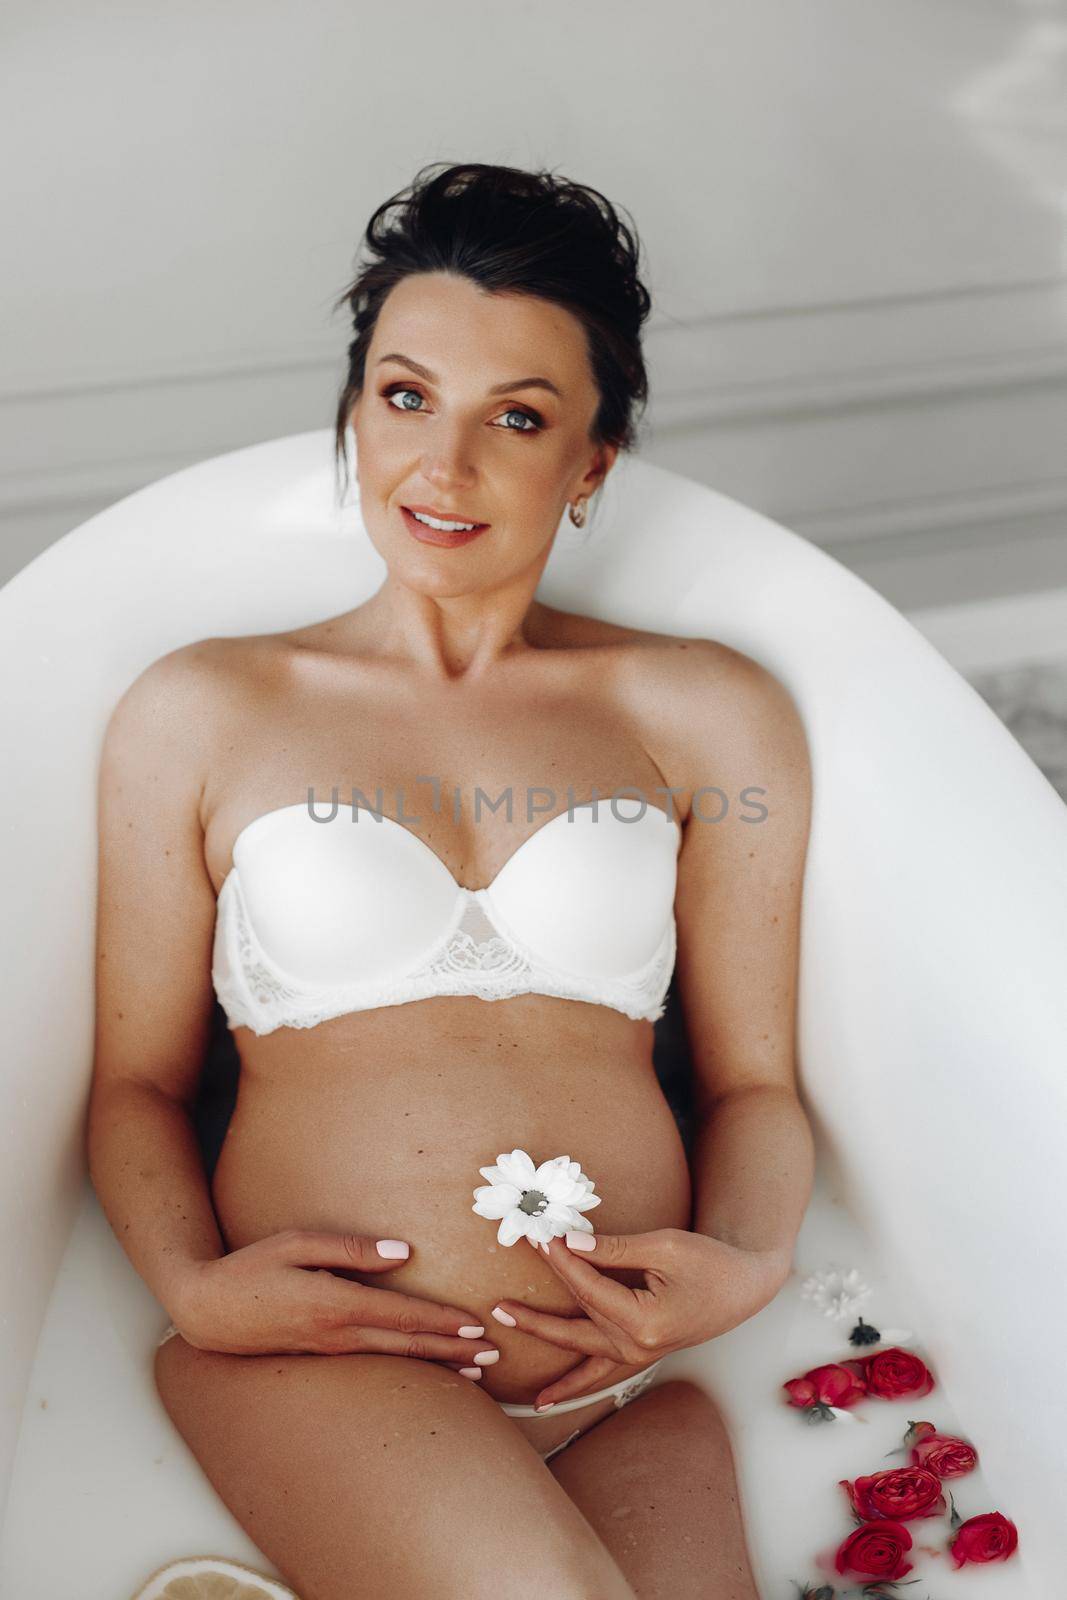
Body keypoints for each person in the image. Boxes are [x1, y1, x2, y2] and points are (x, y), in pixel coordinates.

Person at [87, 161, 815, 1599]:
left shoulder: (705, 715)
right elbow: (131, 1086)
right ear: (356, 410)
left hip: (617, 1388)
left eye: (520, 419)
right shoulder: (204, 711)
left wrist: (750, 1262)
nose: (445, 467)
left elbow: (755, 1087)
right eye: (406, 396)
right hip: (329, 1359)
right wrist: (193, 1289)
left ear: (594, 461)